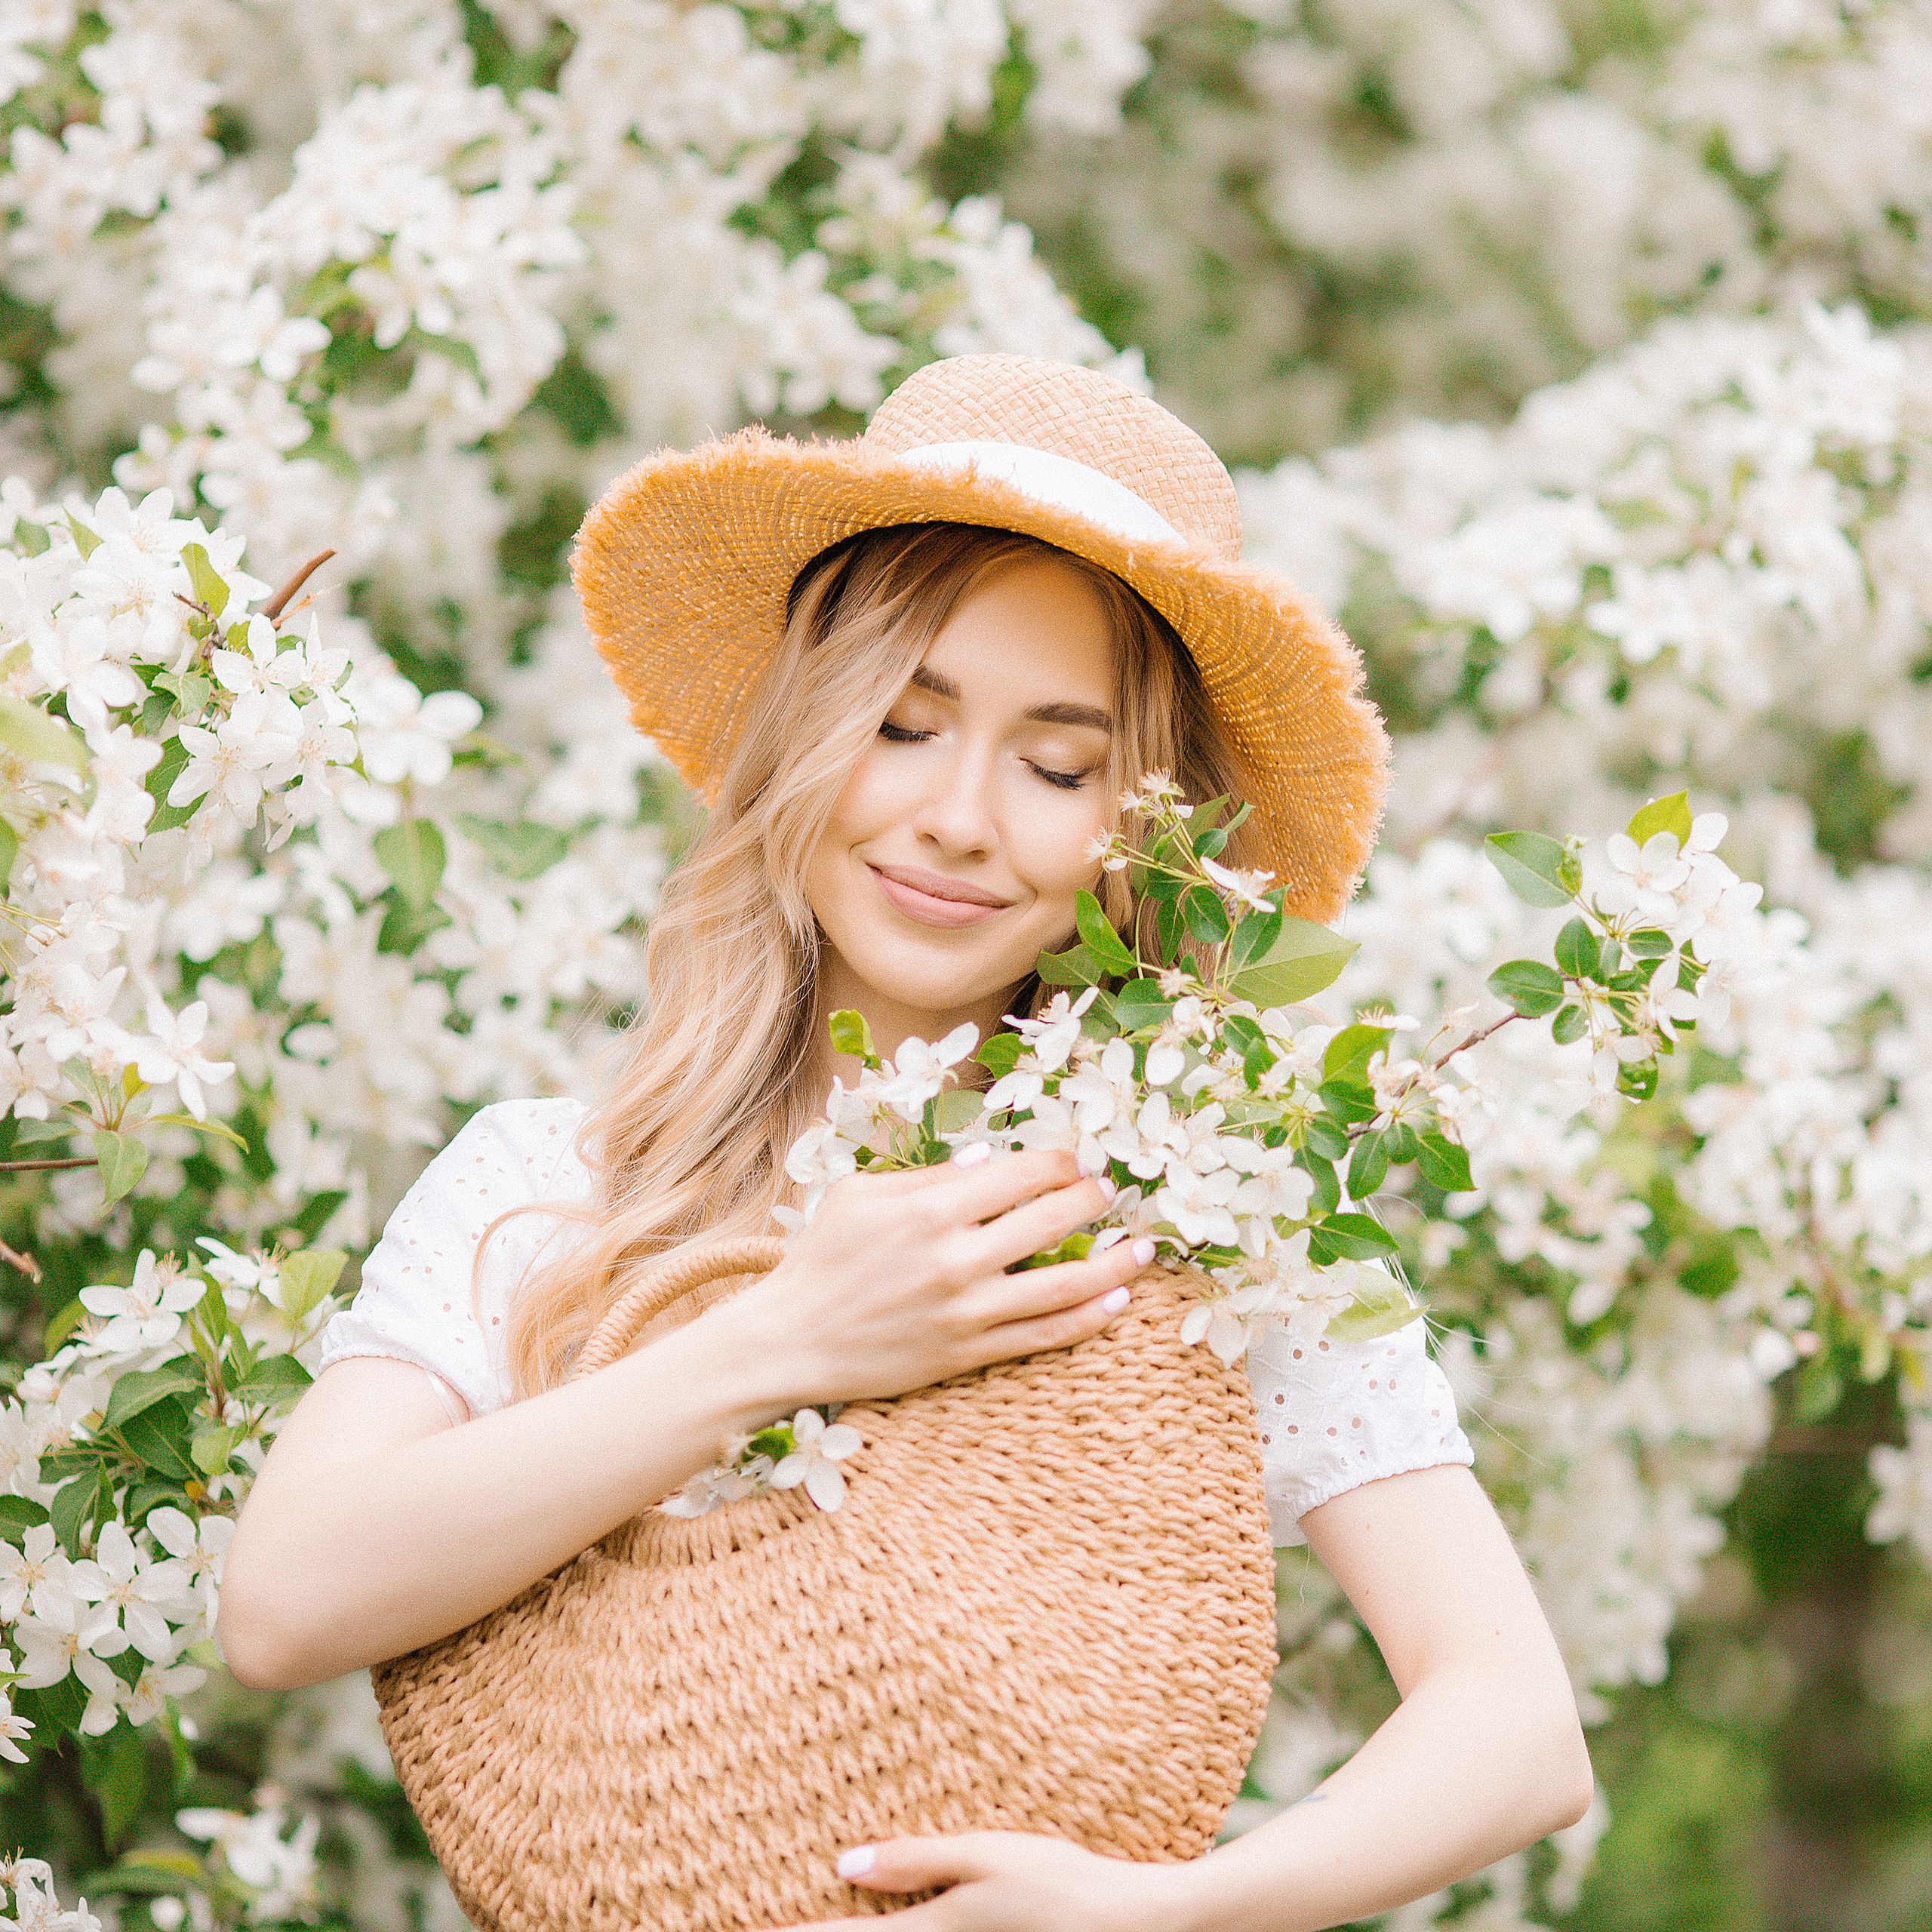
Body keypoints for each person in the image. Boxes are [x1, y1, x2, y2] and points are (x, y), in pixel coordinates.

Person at [220, 353, 1592, 1931]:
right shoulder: (550, 1179)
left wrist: (1150, 1911)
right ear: (807, 736)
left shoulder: (1187, 1227)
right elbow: (283, 1600)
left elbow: (1510, 1722)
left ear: (1139, 834)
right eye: (903, 721)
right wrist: (783, 1336)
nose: (956, 814)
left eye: (1055, 764)